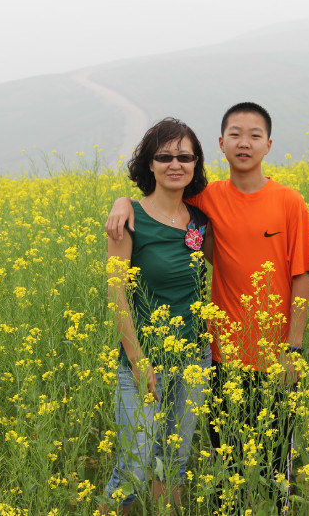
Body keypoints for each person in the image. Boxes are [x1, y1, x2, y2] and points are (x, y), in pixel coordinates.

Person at [105, 102, 309, 510]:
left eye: (184, 156)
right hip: (208, 357)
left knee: (250, 467)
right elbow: (157, 204)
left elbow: (301, 276)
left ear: (268, 145)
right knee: (166, 465)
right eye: (235, 134)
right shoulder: (195, 205)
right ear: (221, 144)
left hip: (246, 357)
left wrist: (295, 347)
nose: (175, 164)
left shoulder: (268, 204)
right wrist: (122, 200)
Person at [102, 117, 211, 515]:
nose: (175, 164)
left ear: (196, 163)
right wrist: (138, 360)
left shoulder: (200, 220)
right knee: (133, 466)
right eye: (164, 156)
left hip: (194, 358)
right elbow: (117, 295)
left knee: (175, 464)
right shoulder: (128, 218)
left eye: (184, 156)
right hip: (143, 362)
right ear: (149, 163)